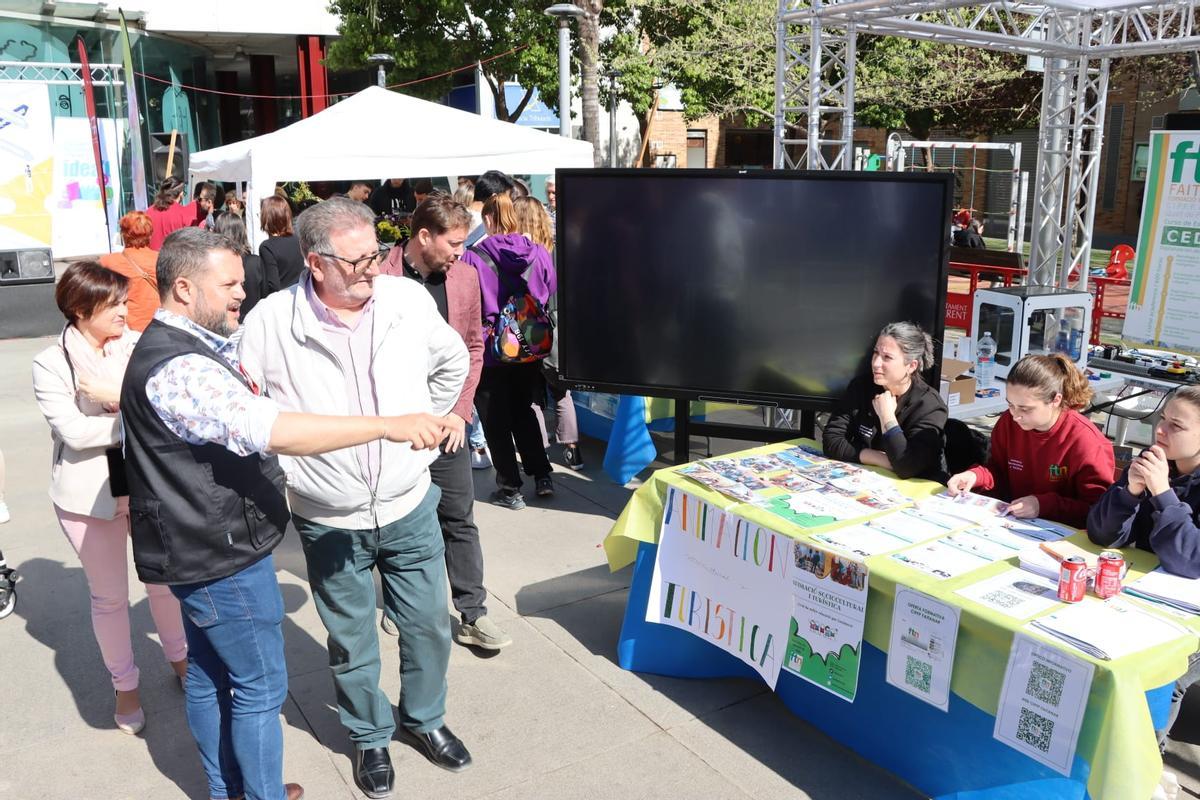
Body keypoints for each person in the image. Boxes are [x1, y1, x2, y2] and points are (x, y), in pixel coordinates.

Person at [123, 226, 454, 800]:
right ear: (182, 287)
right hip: (220, 555)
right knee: (258, 686)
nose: (239, 295)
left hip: (202, 546)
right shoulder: (181, 365)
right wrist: (386, 424)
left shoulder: (185, 345)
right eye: (227, 284)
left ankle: (238, 789)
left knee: (210, 677)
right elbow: (269, 428)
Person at [238, 198, 474, 798]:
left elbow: (451, 361)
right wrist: (288, 466)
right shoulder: (269, 323)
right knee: (351, 642)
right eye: (358, 260)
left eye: (375, 252)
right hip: (328, 515)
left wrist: (445, 417)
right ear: (315, 263)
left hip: (407, 501)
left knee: (427, 626)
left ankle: (424, 720)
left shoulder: (406, 300)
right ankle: (369, 737)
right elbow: (248, 408)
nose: (373, 268)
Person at [32, 261, 188, 735]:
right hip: (87, 497)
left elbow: (169, 399)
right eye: (114, 304)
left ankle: (182, 663)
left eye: (125, 301)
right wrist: (136, 417)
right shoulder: (50, 362)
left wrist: (128, 404)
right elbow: (76, 433)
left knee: (164, 584)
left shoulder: (137, 343)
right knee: (110, 599)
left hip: (146, 486)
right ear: (81, 310)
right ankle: (126, 687)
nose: (125, 310)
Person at [383, 193, 513, 652]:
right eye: (454, 242)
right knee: (396, 520)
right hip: (394, 428)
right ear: (424, 236)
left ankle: (473, 612)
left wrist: (459, 412)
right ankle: (403, 605)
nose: (461, 251)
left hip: (448, 423)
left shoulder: (465, 276)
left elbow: (474, 347)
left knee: (459, 517)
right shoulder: (380, 276)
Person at [1087, 386, 1200, 750]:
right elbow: (1102, 535)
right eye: (1162, 419)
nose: (1160, 431)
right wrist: (1129, 493)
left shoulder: (1165, 478)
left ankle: (1144, 761)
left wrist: (1164, 495)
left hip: (1191, 613)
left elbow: (1190, 560)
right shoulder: (1155, 462)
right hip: (1150, 594)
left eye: (1176, 426)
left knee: (1164, 678)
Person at [947, 353, 1114, 527]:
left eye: (1025, 409)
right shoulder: (1008, 422)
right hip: (1012, 523)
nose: (1015, 415)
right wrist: (975, 476)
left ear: (1055, 400)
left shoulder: (1086, 442)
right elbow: (998, 470)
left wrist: (1043, 505)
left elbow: (1099, 513)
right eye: (1010, 404)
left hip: (1060, 535)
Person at [468, 191, 557, 509]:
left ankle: (510, 489)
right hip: (530, 345)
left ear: (488, 219)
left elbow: (469, 303)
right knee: (525, 411)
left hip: (492, 349)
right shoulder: (539, 253)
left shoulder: (473, 257)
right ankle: (542, 474)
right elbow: (550, 290)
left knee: (495, 421)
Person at [822, 322, 948, 481]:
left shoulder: (929, 406)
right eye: (876, 353)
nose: (876, 363)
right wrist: (881, 459)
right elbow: (831, 440)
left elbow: (907, 466)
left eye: (887, 357)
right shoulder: (861, 386)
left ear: (911, 366)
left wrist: (887, 417)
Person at [514, 196, 582, 470]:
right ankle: (572, 449)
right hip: (559, 327)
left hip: (531, 327)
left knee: (533, 395)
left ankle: (539, 450)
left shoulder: (521, 253)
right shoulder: (559, 249)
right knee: (561, 391)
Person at [99, 211, 160, 331]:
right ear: (150, 235)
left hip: (126, 328)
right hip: (158, 325)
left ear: (123, 234)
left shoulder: (108, 262)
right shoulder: (162, 260)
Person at [213, 211, 275, 322]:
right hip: (253, 321)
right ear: (242, 232)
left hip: (224, 323)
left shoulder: (214, 264)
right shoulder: (255, 262)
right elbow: (265, 293)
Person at [259, 195, 306, 289]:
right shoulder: (299, 240)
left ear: (268, 217)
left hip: (281, 299)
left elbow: (273, 284)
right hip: (301, 293)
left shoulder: (267, 247)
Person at [465, 170, 515, 247]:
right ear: (494, 197)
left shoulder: (458, 215)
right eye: (506, 200)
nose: (509, 204)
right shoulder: (490, 224)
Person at [147, 177, 195, 250]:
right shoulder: (183, 213)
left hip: (151, 258)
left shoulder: (148, 211)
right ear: (181, 194)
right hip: (173, 259)